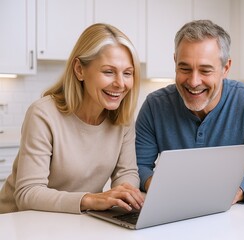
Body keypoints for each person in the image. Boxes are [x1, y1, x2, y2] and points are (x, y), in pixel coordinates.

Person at [135, 20, 244, 204]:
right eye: (184, 68)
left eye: (205, 70)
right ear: (175, 61)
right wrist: (157, 186)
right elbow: (139, 166)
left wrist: (233, 193)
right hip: (173, 211)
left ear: (226, 68)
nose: (193, 81)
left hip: (235, 215)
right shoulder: (155, 105)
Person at [0, 23, 145, 214]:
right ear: (79, 69)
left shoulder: (122, 119)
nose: (120, 83)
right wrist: (89, 199)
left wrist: (124, 195)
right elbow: (28, 194)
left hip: (75, 221)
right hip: (19, 222)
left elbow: (126, 172)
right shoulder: (43, 114)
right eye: (109, 71)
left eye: (127, 73)